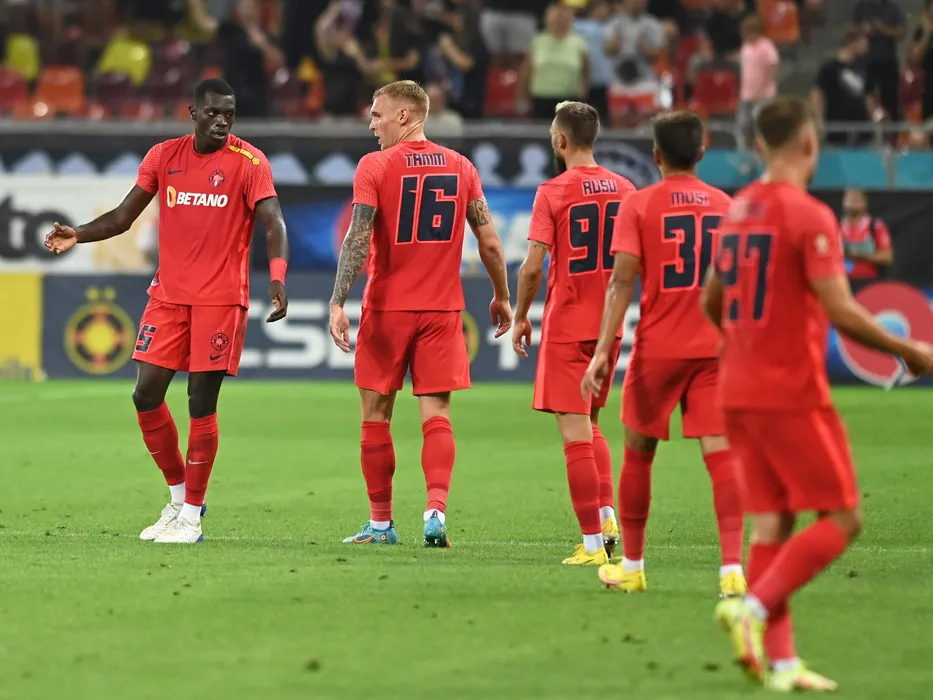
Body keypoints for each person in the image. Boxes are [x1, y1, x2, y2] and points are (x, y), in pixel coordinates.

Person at [704, 96, 933, 692]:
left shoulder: (738, 210)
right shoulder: (807, 215)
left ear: (759, 145)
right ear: (811, 143)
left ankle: (781, 664)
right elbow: (841, 308)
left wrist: (744, 343)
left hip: (737, 388)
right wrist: (908, 350)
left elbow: (711, 300)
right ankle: (752, 609)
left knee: (772, 524)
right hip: (790, 390)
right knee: (845, 517)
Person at [44, 78, 290, 544]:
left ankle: (192, 518)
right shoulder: (163, 156)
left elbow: (273, 221)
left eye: (229, 114)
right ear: (192, 113)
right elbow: (122, 218)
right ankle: (179, 499)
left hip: (220, 298)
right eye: (213, 113)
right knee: (145, 396)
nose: (222, 122)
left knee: (200, 402)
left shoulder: (250, 162)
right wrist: (79, 233)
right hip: (169, 296)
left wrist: (277, 275)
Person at [328, 80, 512, 548]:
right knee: (437, 415)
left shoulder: (375, 166)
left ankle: (381, 525)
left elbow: (358, 237)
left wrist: (337, 301)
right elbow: (491, 243)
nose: (372, 124)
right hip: (442, 310)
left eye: (378, 114)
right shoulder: (461, 167)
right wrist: (501, 296)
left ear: (405, 116)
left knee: (375, 415)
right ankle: (435, 510)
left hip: (387, 309)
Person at [580, 110, 745, 597]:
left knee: (638, 453)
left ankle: (632, 567)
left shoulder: (640, 205)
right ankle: (732, 570)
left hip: (659, 348)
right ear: (701, 152)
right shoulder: (727, 207)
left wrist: (603, 351)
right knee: (720, 454)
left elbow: (621, 282)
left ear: (655, 155)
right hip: (714, 347)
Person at [511, 101, 636, 566]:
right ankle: (606, 515)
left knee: (575, 436)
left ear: (561, 141)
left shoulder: (553, 191)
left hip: (567, 324)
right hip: (609, 326)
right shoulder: (626, 189)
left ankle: (592, 545)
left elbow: (531, 267)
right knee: (592, 424)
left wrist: (521, 315)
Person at [839, 188, 893, 280]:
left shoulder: (876, 226)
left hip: (868, 280)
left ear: (865, 203)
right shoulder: (836, 226)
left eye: (857, 198)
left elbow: (887, 257)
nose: (853, 201)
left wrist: (862, 256)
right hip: (842, 280)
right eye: (850, 198)